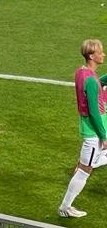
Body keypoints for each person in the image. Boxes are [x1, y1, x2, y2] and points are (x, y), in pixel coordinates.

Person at [58, 38, 107, 218]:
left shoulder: (82, 72)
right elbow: (94, 112)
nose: (103, 54)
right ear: (92, 55)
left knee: (87, 165)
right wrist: (104, 135)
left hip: (88, 128)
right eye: (100, 52)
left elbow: (97, 83)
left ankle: (65, 206)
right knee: (85, 170)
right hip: (94, 132)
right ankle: (65, 206)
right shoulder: (92, 82)